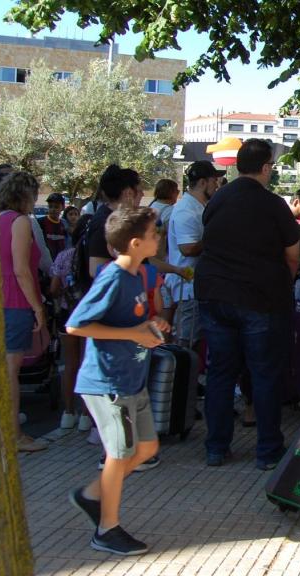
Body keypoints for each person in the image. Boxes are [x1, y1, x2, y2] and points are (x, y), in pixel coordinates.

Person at [66, 206, 169, 555]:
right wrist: (134, 334)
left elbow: (134, 321)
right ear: (137, 243)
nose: (160, 238)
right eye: (155, 234)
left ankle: (93, 495)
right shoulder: (112, 277)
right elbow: (76, 325)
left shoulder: (139, 274)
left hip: (131, 379)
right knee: (120, 452)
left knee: (146, 449)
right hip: (107, 383)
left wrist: (152, 326)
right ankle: (106, 530)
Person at [195, 138, 300, 470]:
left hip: (214, 295)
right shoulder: (273, 204)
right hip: (259, 298)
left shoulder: (217, 199)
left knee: (220, 373)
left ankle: (216, 447)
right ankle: (268, 452)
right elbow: (293, 255)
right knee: (264, 374)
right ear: (266, 167)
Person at [0, 172, 49, 452]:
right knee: (10, 372)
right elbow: (21, 269)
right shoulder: (19, 222)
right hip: (15, 302)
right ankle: (14, 435)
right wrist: (37, 307)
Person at [166, 160, 224, 347]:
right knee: (187, 341)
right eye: (214, 180)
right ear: (202, 182)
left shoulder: (199, 206)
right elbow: (188, 248)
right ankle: (182, 375)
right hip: (188, 288)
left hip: (198, 286)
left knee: (195, 341)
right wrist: (217, 235)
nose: (217, 184)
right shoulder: (186, 210)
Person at [50, 217, 90, 430]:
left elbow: (54, 288)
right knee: (86, 363)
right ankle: (85, 414)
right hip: (88, 315)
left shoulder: (64, 256)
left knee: (70, 364)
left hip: (68, 313)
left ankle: (68, 412)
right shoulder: (92, 257)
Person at [38, 192, 68, 260]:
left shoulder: (64, 224)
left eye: (56, 207)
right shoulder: (40, 222)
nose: (53, 209)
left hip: (59, 262)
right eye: (50, 206)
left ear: (63, 207)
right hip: (44, 261)